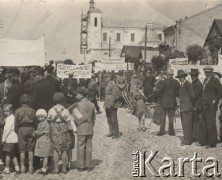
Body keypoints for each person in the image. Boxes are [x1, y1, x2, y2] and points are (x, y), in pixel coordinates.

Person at [69, 86, 95, 172]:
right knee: (89, 147)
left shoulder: (77, 105)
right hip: (90, 128)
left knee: (80, 146)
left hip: (80, 128)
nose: (76, 96)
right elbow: (93, 118)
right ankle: (88, 165)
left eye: (77, 94)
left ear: (82, 95)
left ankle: (81, 166)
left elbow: (73, 119)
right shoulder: (92, 104)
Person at [47, 92, 72, 174]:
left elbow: (49, 120)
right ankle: (64, 168)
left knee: (55, 150)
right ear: (63, 100)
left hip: (54, 131)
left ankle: (56, 169)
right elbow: (69, 121)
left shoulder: (51, 110)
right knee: (64, 149)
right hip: (64, 131)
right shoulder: (66, 110)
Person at [200, 66, 222, 148]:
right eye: (205, 73)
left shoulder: (215, 80)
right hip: (205, 105)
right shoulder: (206, 80)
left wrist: (215, 100)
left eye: (208, 73)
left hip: (211, 105)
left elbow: (220, 91)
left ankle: (212, 143)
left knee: (211, 124)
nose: (207, 74)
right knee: (204, 123)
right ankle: (204, 141)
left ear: (211, 72)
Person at [14, 94, 37, 174]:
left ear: (20, 102)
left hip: (21, 129)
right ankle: (31, 167)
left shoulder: (17, 111)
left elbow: (16, 123)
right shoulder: (33, 111)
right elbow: (35, 122)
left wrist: (16, 130)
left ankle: (22, 168)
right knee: (30, 149)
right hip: (31, 128)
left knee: (22, 150)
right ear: (29, 101)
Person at [157, 69, 180, 136]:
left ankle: (162, 131)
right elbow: (178, 92)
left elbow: (160, 91)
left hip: (164, 102)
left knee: (163, 117)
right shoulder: (176, 82)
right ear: (172, 75)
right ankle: (171, 132)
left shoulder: (163, 82)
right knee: (171, 117)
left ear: (167, 74)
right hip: (172, 102)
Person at [176, 70, 195, 146]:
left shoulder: (188, 84)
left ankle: (187, 141)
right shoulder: (181, 85)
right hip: (183, 108)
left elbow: (193, 96)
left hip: (187, 108)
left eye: (182, 77)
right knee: (184, 124)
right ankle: (187, 139)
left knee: (187, 125)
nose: (180, 78)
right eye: (179, 77)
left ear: (184, 77)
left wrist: (189, 104)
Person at [2, 104, 19, 174]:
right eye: (4, 111)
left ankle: (7, 168)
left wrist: (3, 139)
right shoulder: (13, 117)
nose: (6, 113)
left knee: (8, 154)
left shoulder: (9, 119)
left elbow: (7, 130)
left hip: (9, 138)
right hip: (13, 138)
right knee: (12, 154)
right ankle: (17, 167)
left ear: (12, 111)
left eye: (7, 111)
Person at [103, 74, 122, 139]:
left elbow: (115, 95)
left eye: (107, 77)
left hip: (112, 104)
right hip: (107, 102)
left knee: (113, 118)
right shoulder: (108, 84)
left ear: (111, 78)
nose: (106, 79)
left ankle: (116, 133)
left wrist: (111, 103)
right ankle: (111, 132)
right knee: (109, 118)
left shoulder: (114, 85)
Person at [33, 109, 51, 175]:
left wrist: (34, 133)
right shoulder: (45, 123)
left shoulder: (43, 124)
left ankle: (44, 169)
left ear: (45, 116)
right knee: (44, 156)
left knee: (45, 156)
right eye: (38, 117)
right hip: (45, 140)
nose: (40, 118)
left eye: (41, 117)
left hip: (43, 141)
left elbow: (38, 132)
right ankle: (44, 168)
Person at [189, 69, 203, 143]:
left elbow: (194, 96)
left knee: (196, 121)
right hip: (194, 104)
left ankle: (196, 137)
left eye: (194, 75)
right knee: (194, 120)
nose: (192, 77)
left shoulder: (198, 84)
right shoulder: (194, 83)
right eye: (191, 75)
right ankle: (194, 136)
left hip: (197, 105)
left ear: (197, 76)